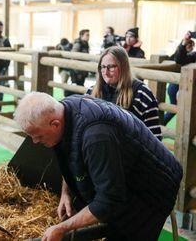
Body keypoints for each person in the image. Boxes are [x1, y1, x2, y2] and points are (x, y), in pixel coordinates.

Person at [14, 92, 182, 241]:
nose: (35, 142)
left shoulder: (96, 136)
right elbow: (68, 154)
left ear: (55, 124)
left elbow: (110, 200)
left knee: (125, 231)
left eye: (38, 136)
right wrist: (66, 193)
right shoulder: (63, 109)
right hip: (123, 176)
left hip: (151, 189)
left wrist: (62, 228)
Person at [87, 46, 162, 140]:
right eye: (103, 67)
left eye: (111, 67)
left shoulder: (142, 94)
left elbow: (155, 137)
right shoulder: (92, 91)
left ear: (123, 67)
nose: (105, 72)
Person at [164, 33, 196, 125]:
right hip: (177, 86)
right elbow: (179, 59)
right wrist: (183, 44)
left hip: (186, 87)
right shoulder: (185, 55)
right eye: (188, 44)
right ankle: (160, 126)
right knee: (175, 109)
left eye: (191, 45)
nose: (189, 47)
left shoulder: (191, 55)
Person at [66, 29, 90, 96]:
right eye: (87, 35)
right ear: (81, 35)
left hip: (83, 70)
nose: (88, 37)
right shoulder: (78, 44)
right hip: (77, 70)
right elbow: (73, 57)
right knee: (77, 88)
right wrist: (77, 71)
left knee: (81, 87)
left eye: (89, 35)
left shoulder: (86, 44)